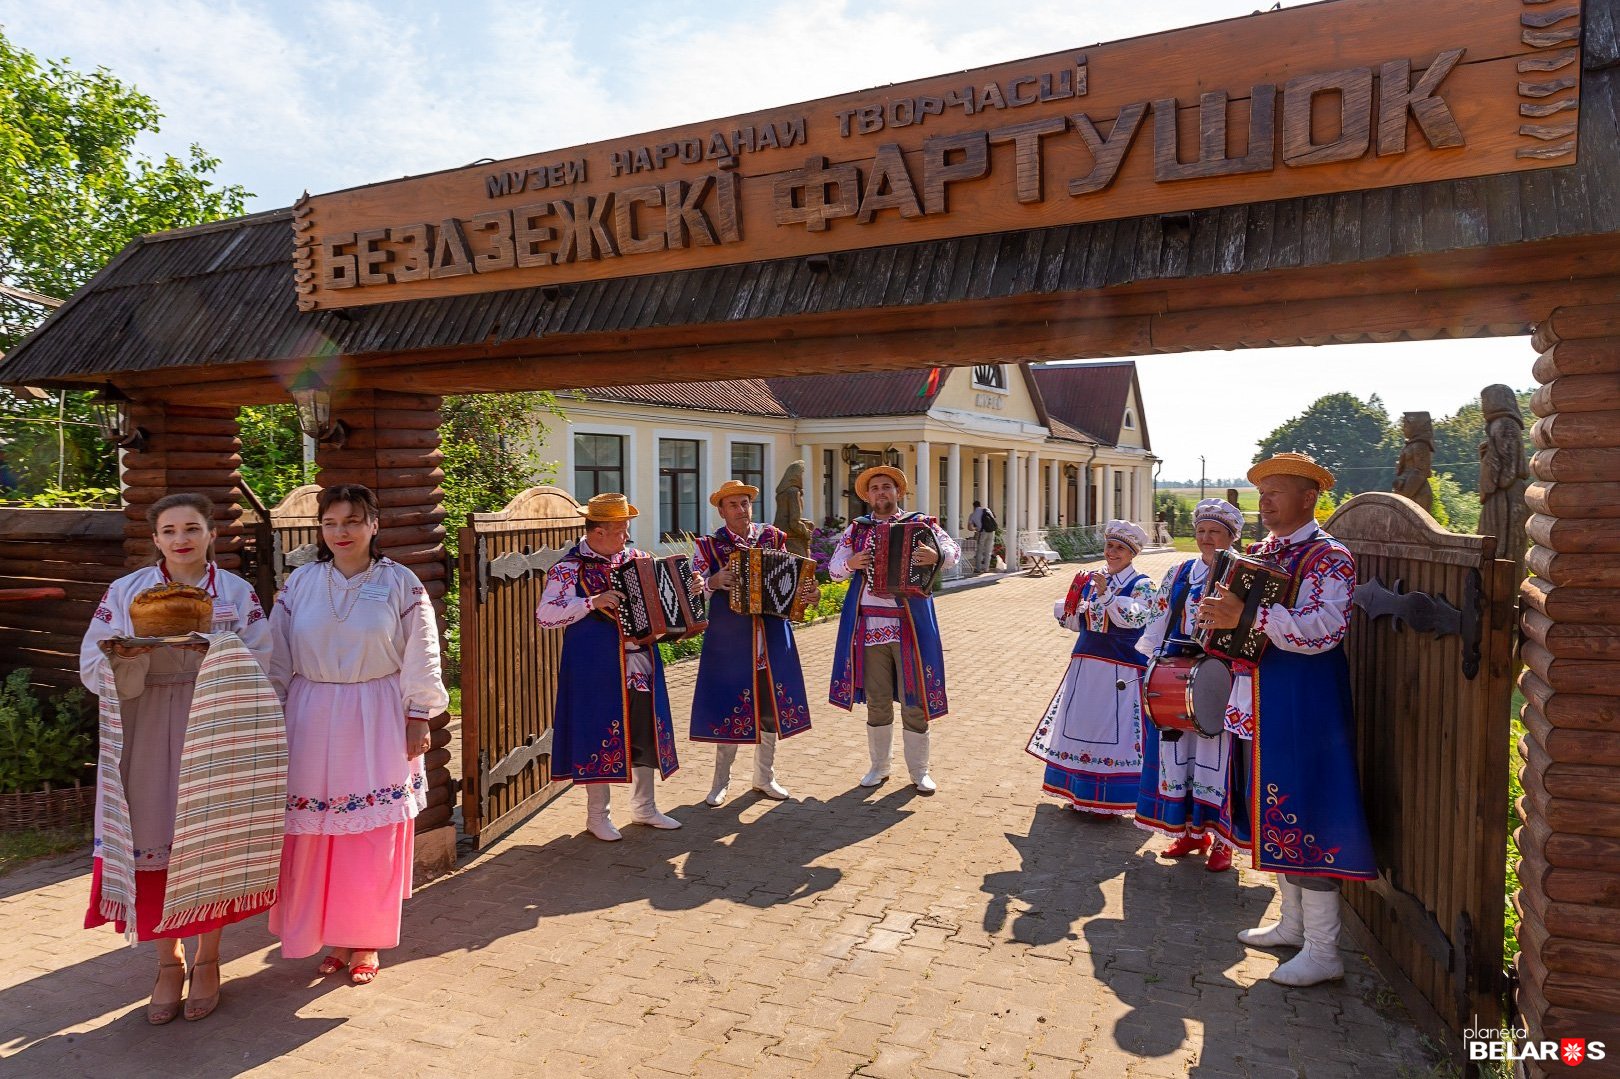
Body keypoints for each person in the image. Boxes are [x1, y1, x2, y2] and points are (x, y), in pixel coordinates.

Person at [80, 492, 277, 1024]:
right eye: (169, 531)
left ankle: (209, 959)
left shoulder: (236, 593)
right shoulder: (126, 592)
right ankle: (167, 963)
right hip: (145, 718)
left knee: (209, 836)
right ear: (156, 539)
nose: (181, 539)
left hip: (216, 720)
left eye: (192, 528)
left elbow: (267, 659)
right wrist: (126, 657)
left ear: (212, 533)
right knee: (152, 834)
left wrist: (218, 655)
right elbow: (89, 662)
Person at [1201, 453, 1375, 987]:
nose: (1266, 502)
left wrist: (1245, 616)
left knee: (1309, 809)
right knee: (1274, 807)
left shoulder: (1330, 557)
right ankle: (1293, 925)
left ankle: (1325, 950)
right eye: (1262, 493)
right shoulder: (1261, 552)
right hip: (1262, 698)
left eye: (1277, 492)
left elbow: (1324, 629)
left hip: (1306, 700)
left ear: (1309, 499)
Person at [268, 483, 448, 986]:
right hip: (309, 713)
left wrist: (418, 713)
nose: (340, 532)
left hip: (376, 713)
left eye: (352, 521)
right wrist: (271, 713)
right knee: (314, 833)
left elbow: (422, 650)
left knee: (369, 831)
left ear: (374, 524)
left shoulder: (401, 584)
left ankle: (364, 936)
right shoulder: (300, 582)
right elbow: (276, 654)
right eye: (330, 523)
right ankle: (331, 933)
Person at [537, 492, 681, 841]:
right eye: (619, 530)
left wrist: (688, 590)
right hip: (594, 667)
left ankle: (645, 808)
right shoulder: (568, 569)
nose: (626, 537)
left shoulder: (638, 559)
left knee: (645, 730)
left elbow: (664, 600)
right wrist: (591, 601)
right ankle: (597, 817)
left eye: (626, 529)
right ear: (596, 532)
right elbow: (545, 616)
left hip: (642, 663)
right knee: (598, 732)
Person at [828, 466, 959, 793]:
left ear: (898, 492)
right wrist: (850, 564)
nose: (881, 493)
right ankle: (879, 767)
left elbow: (953, 553)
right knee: (878, 699)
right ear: (868, 496)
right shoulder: (857, 531)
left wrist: (935, 555)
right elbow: (833, 570)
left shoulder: (922, 524)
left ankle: (919, 771)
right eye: (875, 488)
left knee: (915, 700)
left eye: (887, 487)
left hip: (910, 626)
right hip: (871, 626)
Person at [690, 479, 819, 806]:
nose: (740, 509)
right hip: (729, 640)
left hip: (772, 637)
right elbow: (692, 591)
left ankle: (765, 776)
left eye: (744, 503)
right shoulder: (707, 546)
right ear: (721, 511)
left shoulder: (773, 538)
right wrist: (713, 581)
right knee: (728, 708)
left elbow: (793, 577)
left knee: (770, 709)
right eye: (732, 505)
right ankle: (721, 782)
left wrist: (808, 593)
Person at [1133, 499, 1243, 871]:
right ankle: (1192, 833)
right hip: (1180, 674)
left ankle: (1223, 842)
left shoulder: (1242, 574)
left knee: (1220, 759)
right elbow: (1160, 615)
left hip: (1224, 678)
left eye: (1215, 532)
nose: (1206, 538)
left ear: (1232, 536)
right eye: (1201, 531)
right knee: (1181, 758)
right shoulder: (1180, 572)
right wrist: (1151, 665)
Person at [1026, 520, 1156, 815]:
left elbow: (1136, 618)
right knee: (1082, 726)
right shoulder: (1091, 579)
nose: (1112, 552)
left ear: (1132, 553)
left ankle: (1112, 799)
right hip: (1086, 665)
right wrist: (1070, 611)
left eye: (1120, 548)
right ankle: (1078, 792)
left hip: (1121, 669)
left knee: (1113, 732)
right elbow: (1078, 623)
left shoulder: (1143, 584)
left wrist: (1107, 596)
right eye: (1110, 545)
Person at [967, 500, 997, 574]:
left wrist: (975, 529)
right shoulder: (987, 510)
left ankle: (978, 568)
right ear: (980, 505)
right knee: (988, 551)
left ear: (974, 506)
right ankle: (986, 569)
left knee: (979, 551)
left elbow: (969, 527)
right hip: (991, 531)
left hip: (982, 532)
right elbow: (993, 520)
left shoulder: (973, 515)